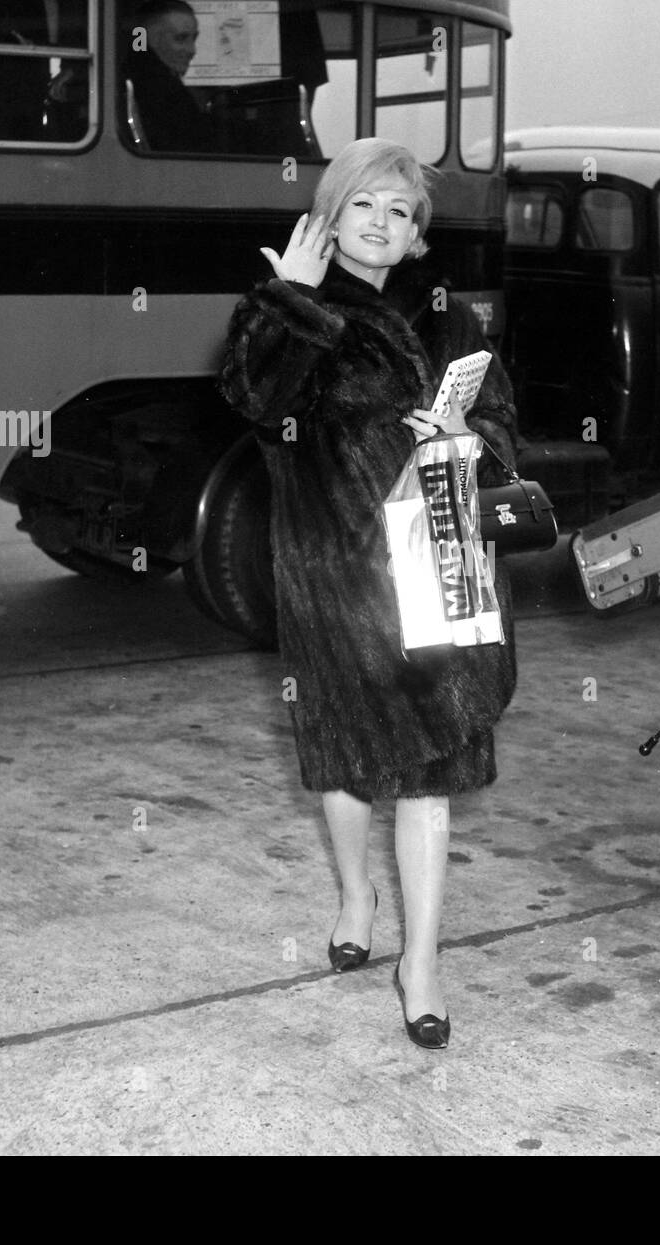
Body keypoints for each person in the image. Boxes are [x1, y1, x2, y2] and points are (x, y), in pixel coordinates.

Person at [219, 138, 517, 1050]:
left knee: (434, 769)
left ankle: (420, 959)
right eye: (365, 206)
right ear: (332, 213)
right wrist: (291, 302)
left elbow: (505, 423)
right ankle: (357, 892)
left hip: (435, 563)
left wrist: (468, 429)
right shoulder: (295, 305)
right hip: (333, 568)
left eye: (401, 211)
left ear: (418, 231)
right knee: (347, 755)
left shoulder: (448, 319)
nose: (383, 224)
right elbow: (251, 400)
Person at [124, 0, 214, 153]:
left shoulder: (140, 78)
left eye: (194, 39)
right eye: (181, 39)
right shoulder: (161, 91)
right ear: (153, 40)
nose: (192, 50)